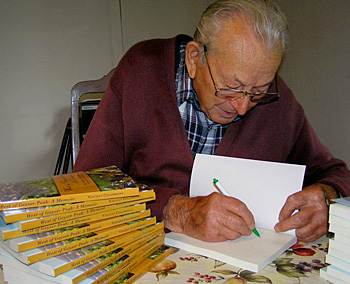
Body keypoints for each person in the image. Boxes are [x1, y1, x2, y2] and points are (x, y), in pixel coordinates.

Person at [73, 0, 350, 243]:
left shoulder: (277, 101)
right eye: (231, 86)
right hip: (147, 251)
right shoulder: (141, 72)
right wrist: (175, 211)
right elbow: (86, 183)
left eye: (258, 91)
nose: (242, 107)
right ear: (195, 59)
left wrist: (325, 198)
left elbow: (334, 172)